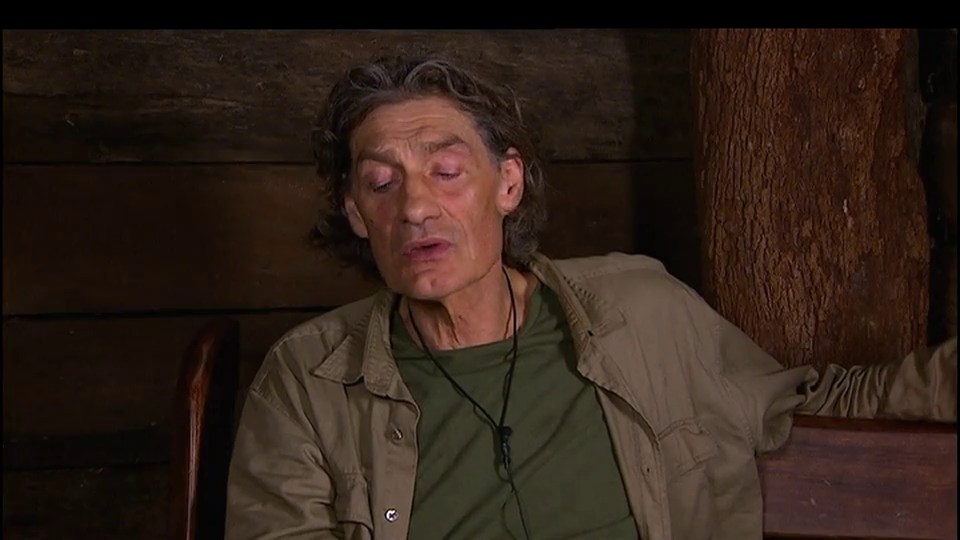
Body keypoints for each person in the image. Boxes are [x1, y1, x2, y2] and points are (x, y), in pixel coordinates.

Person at [224, 55, 957, 540]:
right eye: (382, 183)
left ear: (508, 184)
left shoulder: (640, 311)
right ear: (357, 214)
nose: (415, 207)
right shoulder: (308, 380)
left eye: (446, 172)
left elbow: (810, 402)